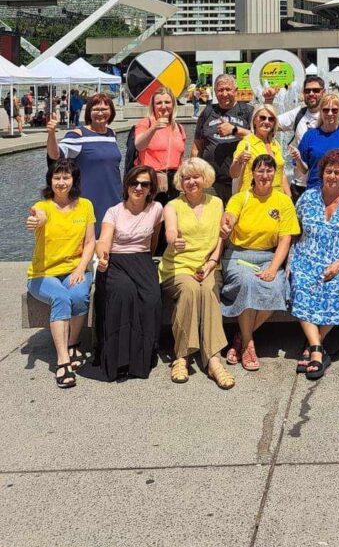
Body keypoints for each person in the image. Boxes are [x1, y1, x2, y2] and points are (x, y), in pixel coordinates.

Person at [219, 154, 300, 370]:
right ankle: (248, 345)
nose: (265, 175)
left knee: (277, 287)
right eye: (260, 171)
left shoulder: (283, 201)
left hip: (268, 257)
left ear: (275, 173)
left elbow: (285, 239)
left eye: (269, 170)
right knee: (248, 283)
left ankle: (241, 337)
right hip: (239, 256)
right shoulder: (240, 198)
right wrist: (227, 224)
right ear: (252, 173)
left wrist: (274, 268)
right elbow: (230, 216)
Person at [159, 157, 234, 389]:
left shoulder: (217, 203)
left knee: (209, 290)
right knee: (191, 290)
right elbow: (170, 231)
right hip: (178, 265)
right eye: (186, 178)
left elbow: (221, 238)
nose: (191, 181)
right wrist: (174, 240)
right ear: (180, 181)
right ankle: (182, 356)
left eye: (195, 177)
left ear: (205, 179)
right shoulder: (172, 206)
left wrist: (212, 262)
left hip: (208, 264)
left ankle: (213, 359)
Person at [291, 150, 339, 379]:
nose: (332, 176)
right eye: (328, 171)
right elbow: (295, 232)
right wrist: (290, 261)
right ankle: (316, 348)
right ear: (322, 173)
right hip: (306, 256)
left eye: (338, 172)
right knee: (301, 283)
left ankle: (312, 346)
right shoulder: (307, 198)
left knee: (338, 287)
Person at [26, 159, 96, 388]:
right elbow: (39, 216)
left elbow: (90, 243)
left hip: (74, 269)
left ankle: (73, 342)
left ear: (74, 180)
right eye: (57, 177)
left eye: (66, 177)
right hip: (42, 274)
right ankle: (63, 360)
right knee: (61, 297)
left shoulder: (85, 205)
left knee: (78, 295)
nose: (61, 182)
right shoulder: (43, 207)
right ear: (50, 180)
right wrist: (36, 220)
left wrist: (79, 269)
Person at [93, 165, 163, 381]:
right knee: (124, 293)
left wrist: (146, 260)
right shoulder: (114, 211)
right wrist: (102, 255)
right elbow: (104, 239)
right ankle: (118, 360)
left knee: (150, 299)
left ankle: (141, 358)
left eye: (145, 184)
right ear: (127, 185)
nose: (139, 187)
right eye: (134, 183)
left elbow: (153, 240)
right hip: (115, 260)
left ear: (151, 188)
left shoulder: (157, 209)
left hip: (141, 260)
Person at [264, 75, 339, 203]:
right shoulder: (298, 113)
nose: (311, 94)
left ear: (323, 92)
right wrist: (269, 101)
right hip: (301, 185)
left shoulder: (337, 116)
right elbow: (267, 124)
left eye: (316, 90)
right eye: (307, 91)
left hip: (332, 186)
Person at [46, 92, 122, 230]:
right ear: (88, 112)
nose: (100, 113)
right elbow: (55, 155)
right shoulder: (78, 135)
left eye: (104, 109)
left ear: (111, 112)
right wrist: (51, 134)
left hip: (113, 196)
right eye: (96, 109)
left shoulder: (112, 134)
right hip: (89, 197)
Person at [191, 73, 253, 204]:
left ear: (235, 90)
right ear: (215, 92)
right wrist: (194, 170)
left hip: (240, 180)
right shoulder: (208, 112)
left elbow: (260, 138)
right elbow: (197, 145)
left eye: (228, 89)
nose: (224, 94)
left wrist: (234, 130)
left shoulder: (248, 111)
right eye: (220, 90)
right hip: (212, 180)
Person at [292, 92, 339, 192]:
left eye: (334, 110)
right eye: (326, 110)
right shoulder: (310, 135)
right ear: (320, 111)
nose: (330, 113)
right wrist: (298, 159)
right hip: (315, 192)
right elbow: (304, 170)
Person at [134, 86, 187, 206]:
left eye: (167, 102)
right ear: (153, 106)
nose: (163, 106)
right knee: (151, 220)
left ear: (173, 105)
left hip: (173, 181)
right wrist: (154, 128)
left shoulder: (179, 128)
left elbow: (180, 158)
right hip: (151, 178)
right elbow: (139, 145)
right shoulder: (145, 123)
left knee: (170, 220)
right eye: (159, 103)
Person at [230, 103, 289, 196]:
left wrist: (289, 197)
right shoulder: (246, 143)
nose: (266, 121)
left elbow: (282, 174)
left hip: (276, 198)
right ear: (254, 121)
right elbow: (233, 174)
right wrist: (239, 160)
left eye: (271, 119)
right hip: (253, 198)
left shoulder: (276, 144)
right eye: (262, 117)